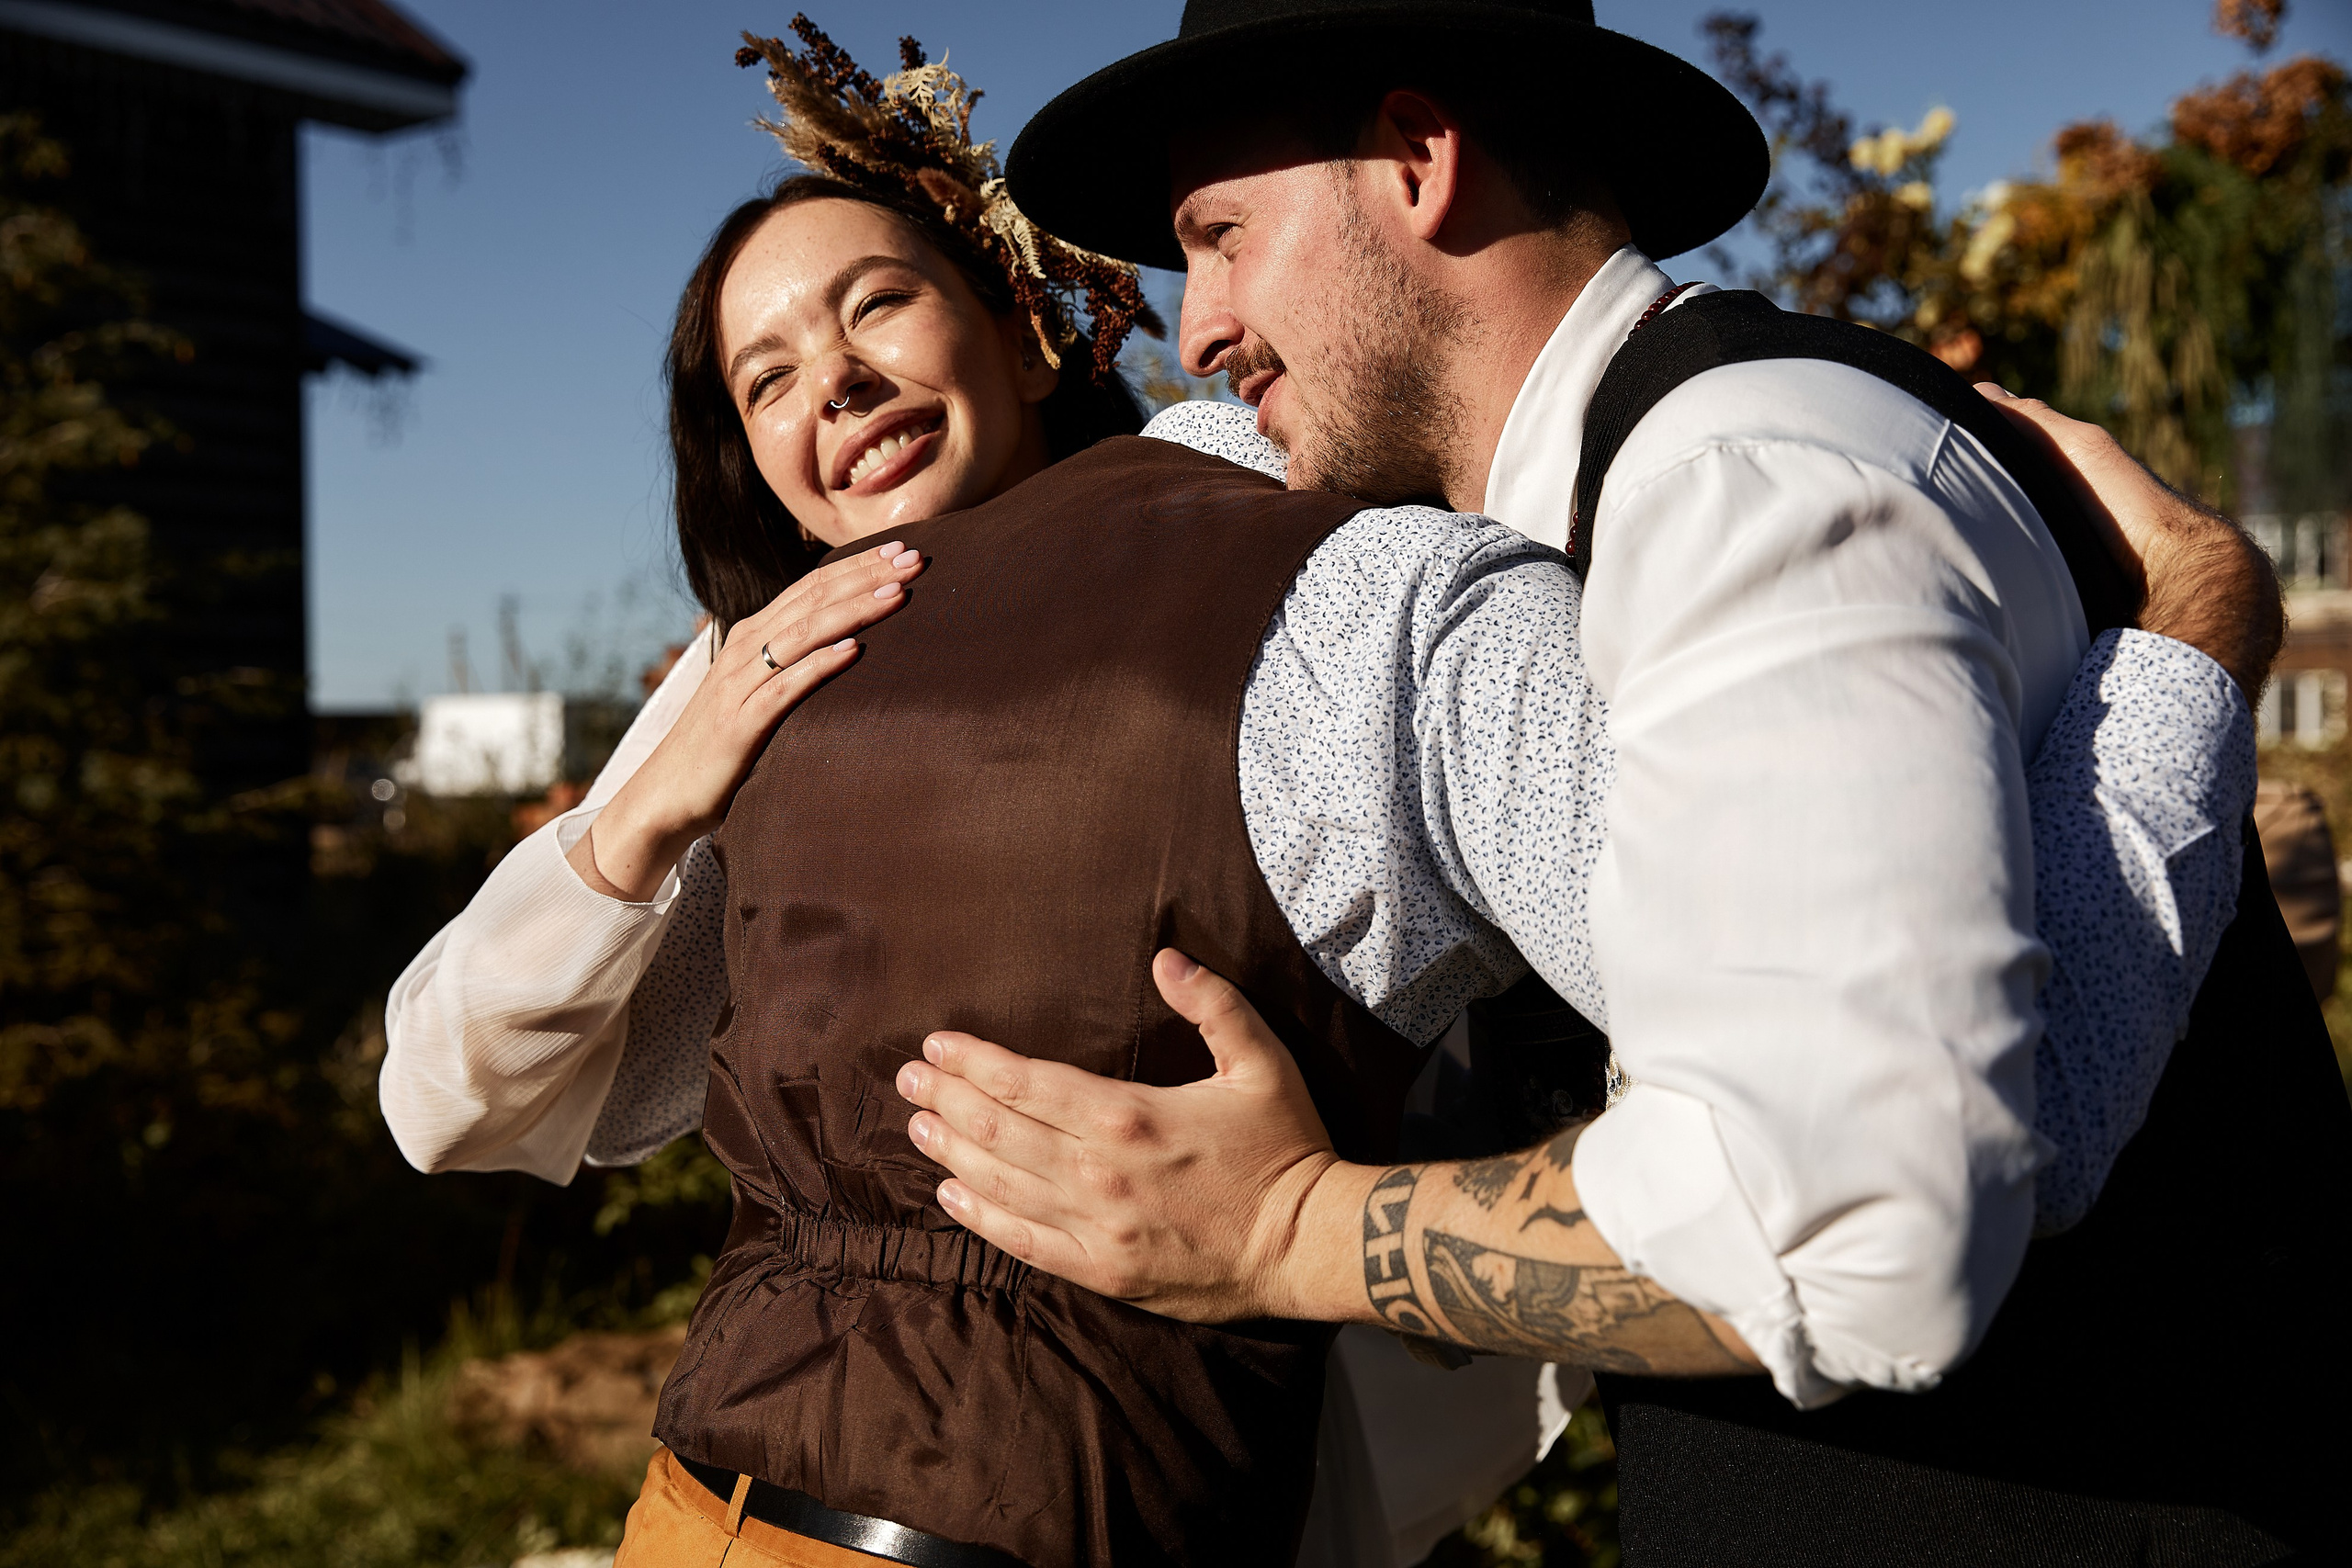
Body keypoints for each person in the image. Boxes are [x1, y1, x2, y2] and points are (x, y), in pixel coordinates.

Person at [383, 17, 2279, 1568]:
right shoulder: (756, 683)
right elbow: (446, 1094)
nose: (831, 389)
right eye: (761, 374)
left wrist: (1294, 1225)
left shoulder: (1389, 580)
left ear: (1024, 317)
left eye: (873, 305)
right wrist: (635, 821)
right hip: (705, 1504)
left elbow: (1869, 1166)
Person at [888, 1, 2350, 1562]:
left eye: (1222, 236)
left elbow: (1862, 1225)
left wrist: (1282, 1230)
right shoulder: (1588, 507)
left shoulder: (1744, 478)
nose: (1201, 325)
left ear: (1418, 158)